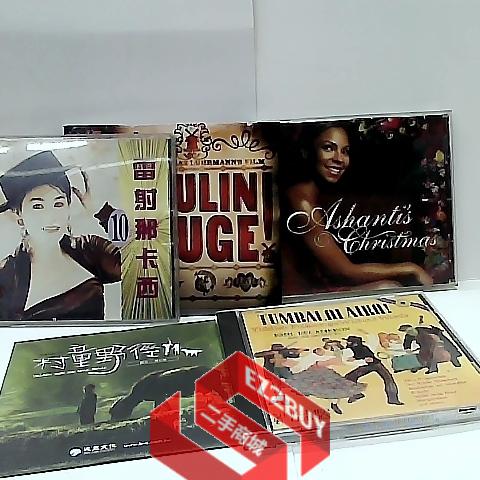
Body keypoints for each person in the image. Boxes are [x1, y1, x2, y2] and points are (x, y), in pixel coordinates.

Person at [282, 121, 433, 295]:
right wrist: (410, 268)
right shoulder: (303, 203)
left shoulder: (313, 195)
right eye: (328, 148)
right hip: (299, 299)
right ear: (307, 151)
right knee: (389, 288)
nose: (339, 159)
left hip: (317, 289)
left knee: (392, 287)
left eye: (345, 151)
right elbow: (344, 272)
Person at [0, 151, 121, 321]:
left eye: (58, 204)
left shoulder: (89, 250)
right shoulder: (7, 274)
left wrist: (101, 210)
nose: (51, 217)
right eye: (38, 206)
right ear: (19, 215)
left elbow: (142, 262)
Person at [343, 335, 403, 406]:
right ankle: (356, 394)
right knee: (349, 377)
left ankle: (393, 399)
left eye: (349, 342)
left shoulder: (363, 348)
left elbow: (369, 358)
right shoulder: (355, 347)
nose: (347, 343)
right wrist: (355, 358)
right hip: (369, 365)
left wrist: (357, 358)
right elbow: (359, 355)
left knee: (388, 379)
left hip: (375, 364)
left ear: (355, 343)